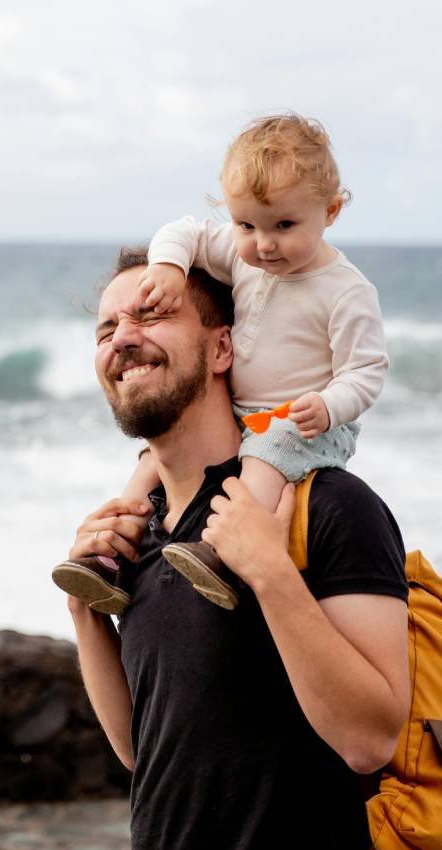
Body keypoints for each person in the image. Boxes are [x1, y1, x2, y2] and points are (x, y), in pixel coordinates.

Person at [64, 247, 409, 850]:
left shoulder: (326, 505)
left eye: (150, 314)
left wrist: (270, 573)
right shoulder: (139, 533)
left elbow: (371, 739)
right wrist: (83, 612)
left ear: (223, 349)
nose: (123, 339)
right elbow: (142, 753)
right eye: (106, 329)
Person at [52, 113, 389, 612]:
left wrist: (329, 404)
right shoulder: (241, 255)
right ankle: (113, 555)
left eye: (284, 225)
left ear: (332, 211)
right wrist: (168, 267)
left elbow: (366, 370)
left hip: (304, 420)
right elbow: (182, 231)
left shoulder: (346, 291)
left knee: (266, 451)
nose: (264, 244)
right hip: (245, 411)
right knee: (151, 463)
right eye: (246, 224)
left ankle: (220, 555)